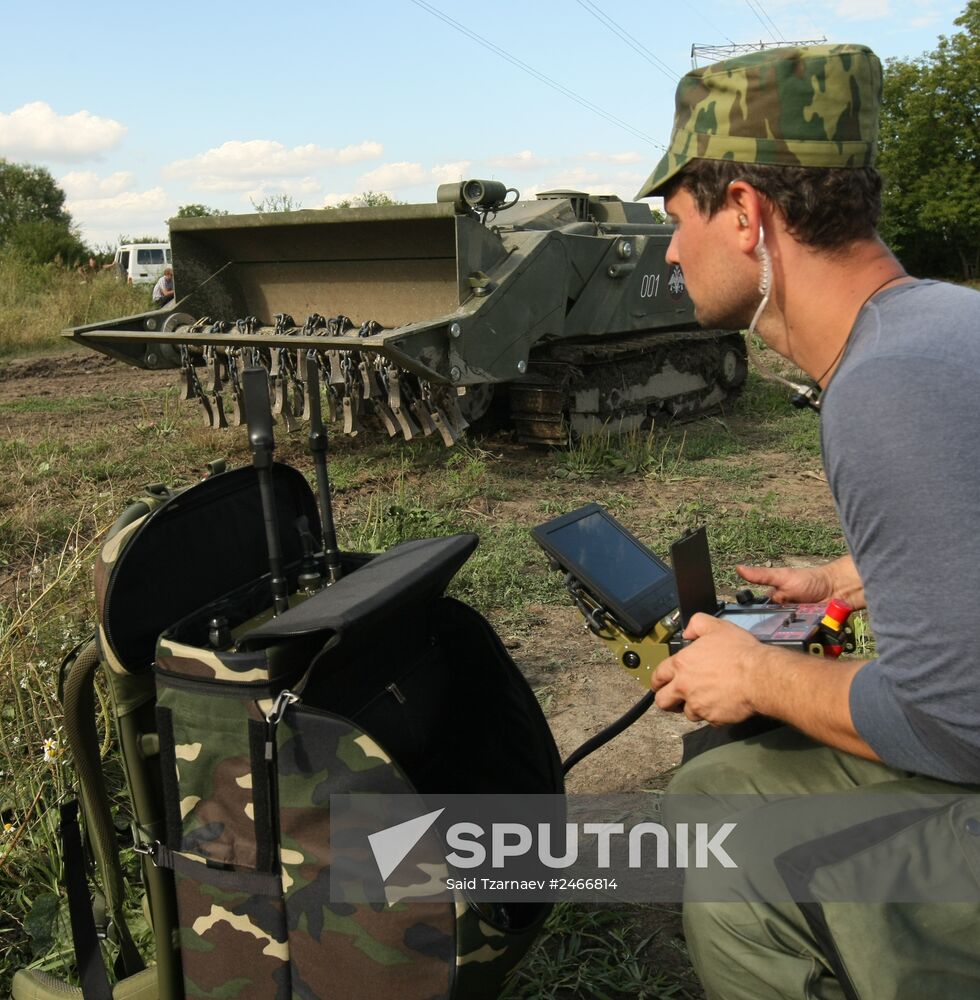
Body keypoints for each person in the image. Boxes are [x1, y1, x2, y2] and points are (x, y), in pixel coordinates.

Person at [636, 44, 980, 999]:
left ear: (744, 213)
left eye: (676, 219)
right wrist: (845, 581)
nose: (670, 251)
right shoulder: (945, 323)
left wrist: (757, 671)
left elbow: (954, 724)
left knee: (715, 802)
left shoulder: (887, 388)